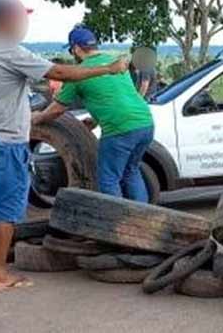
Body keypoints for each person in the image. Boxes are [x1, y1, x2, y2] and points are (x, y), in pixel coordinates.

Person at [0, 0, 128, 291]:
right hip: (6, 141)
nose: (23, 25)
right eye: (20, 18)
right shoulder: (8, 50)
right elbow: (59, 73)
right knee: (6, 210)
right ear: (5, 21)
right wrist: (107, 69)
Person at [33, 26, 155, 202]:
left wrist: (38, 118)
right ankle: (143, 215)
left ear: (76, 49)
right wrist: (96, 120)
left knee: (108, 180)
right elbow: (115, 96)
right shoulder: (116, 63)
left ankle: (115, 218)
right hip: (145, 123)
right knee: (131, 172)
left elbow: (57, 109)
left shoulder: (77, 74)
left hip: (119, 130)